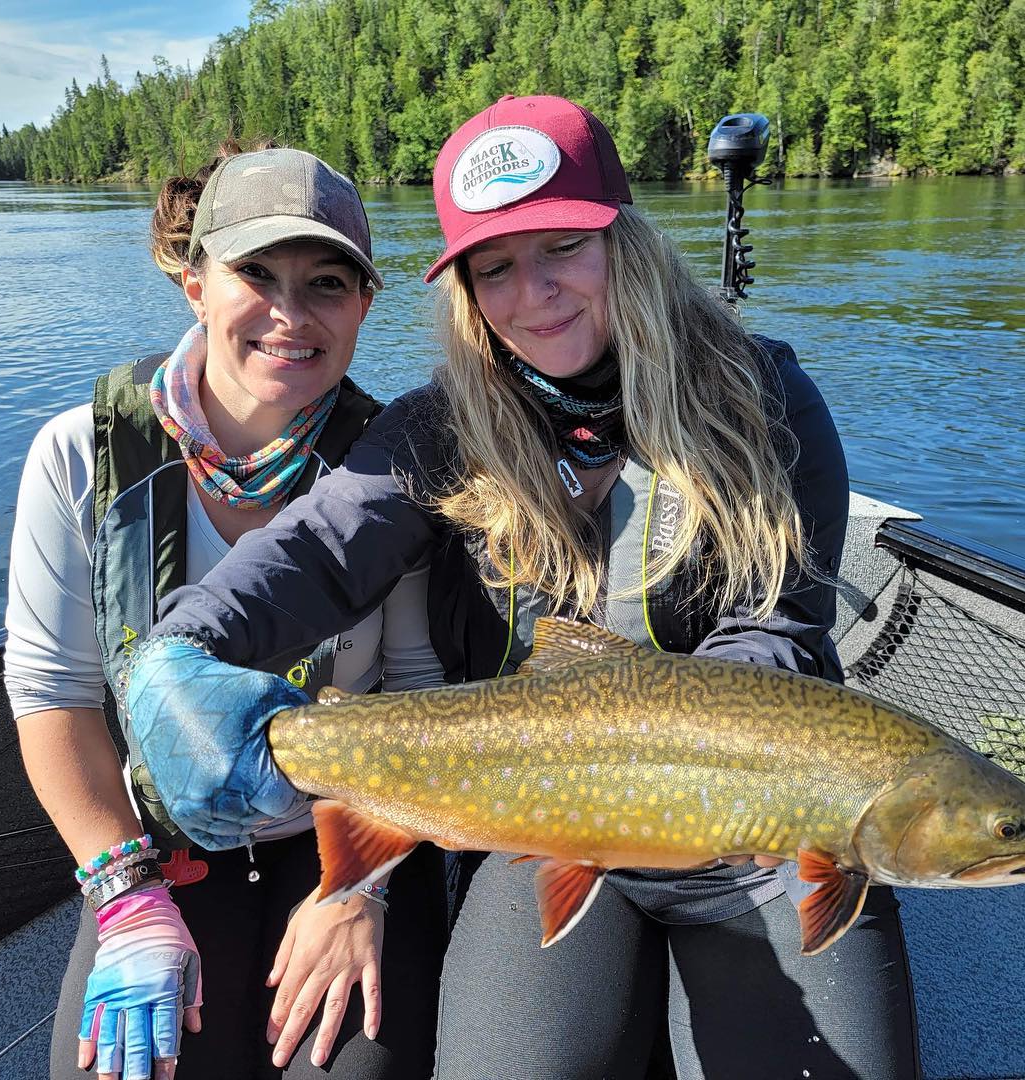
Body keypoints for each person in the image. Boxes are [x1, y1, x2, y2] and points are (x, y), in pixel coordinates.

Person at [125, 97, 921, 1078]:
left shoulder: (767, 403)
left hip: (765, 840)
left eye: (561, 248)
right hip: (535, 820)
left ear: (623, 242)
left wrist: (709, 760)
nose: (533, 294)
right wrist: (182, 647)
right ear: (464, 289)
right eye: (493, 267)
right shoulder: (437, 430)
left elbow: (781, 629)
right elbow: (317, 557)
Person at [2, 143, 447, 1080]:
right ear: (195, 283)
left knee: (351, 1062)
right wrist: (126, 900)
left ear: (366, 306)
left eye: (328, 283)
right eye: (256, 274)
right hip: (159, 847)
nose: (290, 315)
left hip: (349, 833)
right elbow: (54, 695)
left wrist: (357, 887)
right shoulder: (78, 456)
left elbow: (414, 689)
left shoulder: (395, 467)